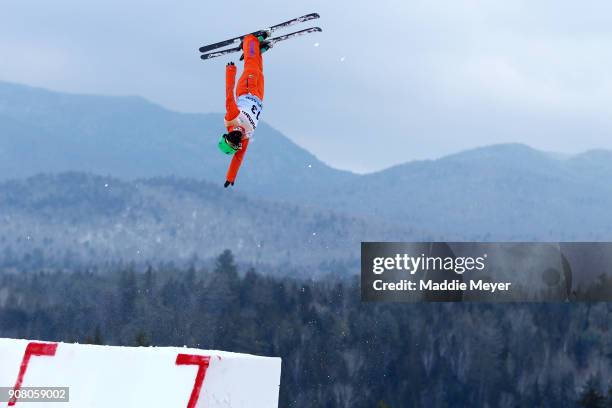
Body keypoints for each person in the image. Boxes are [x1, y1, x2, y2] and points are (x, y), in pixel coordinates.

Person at [218, 33, 271, 188]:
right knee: (257, 68)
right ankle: (257, 49)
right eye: (235, 143)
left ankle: (250, 40)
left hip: (246, 89)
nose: (236, 138)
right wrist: (231, 177)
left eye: (230, 139)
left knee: (251, 65)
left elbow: (229, 95)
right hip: (259, 95)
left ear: (226, 135)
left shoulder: (231, 118)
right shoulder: (245, 138)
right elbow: (238, 159)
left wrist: (230, 71)